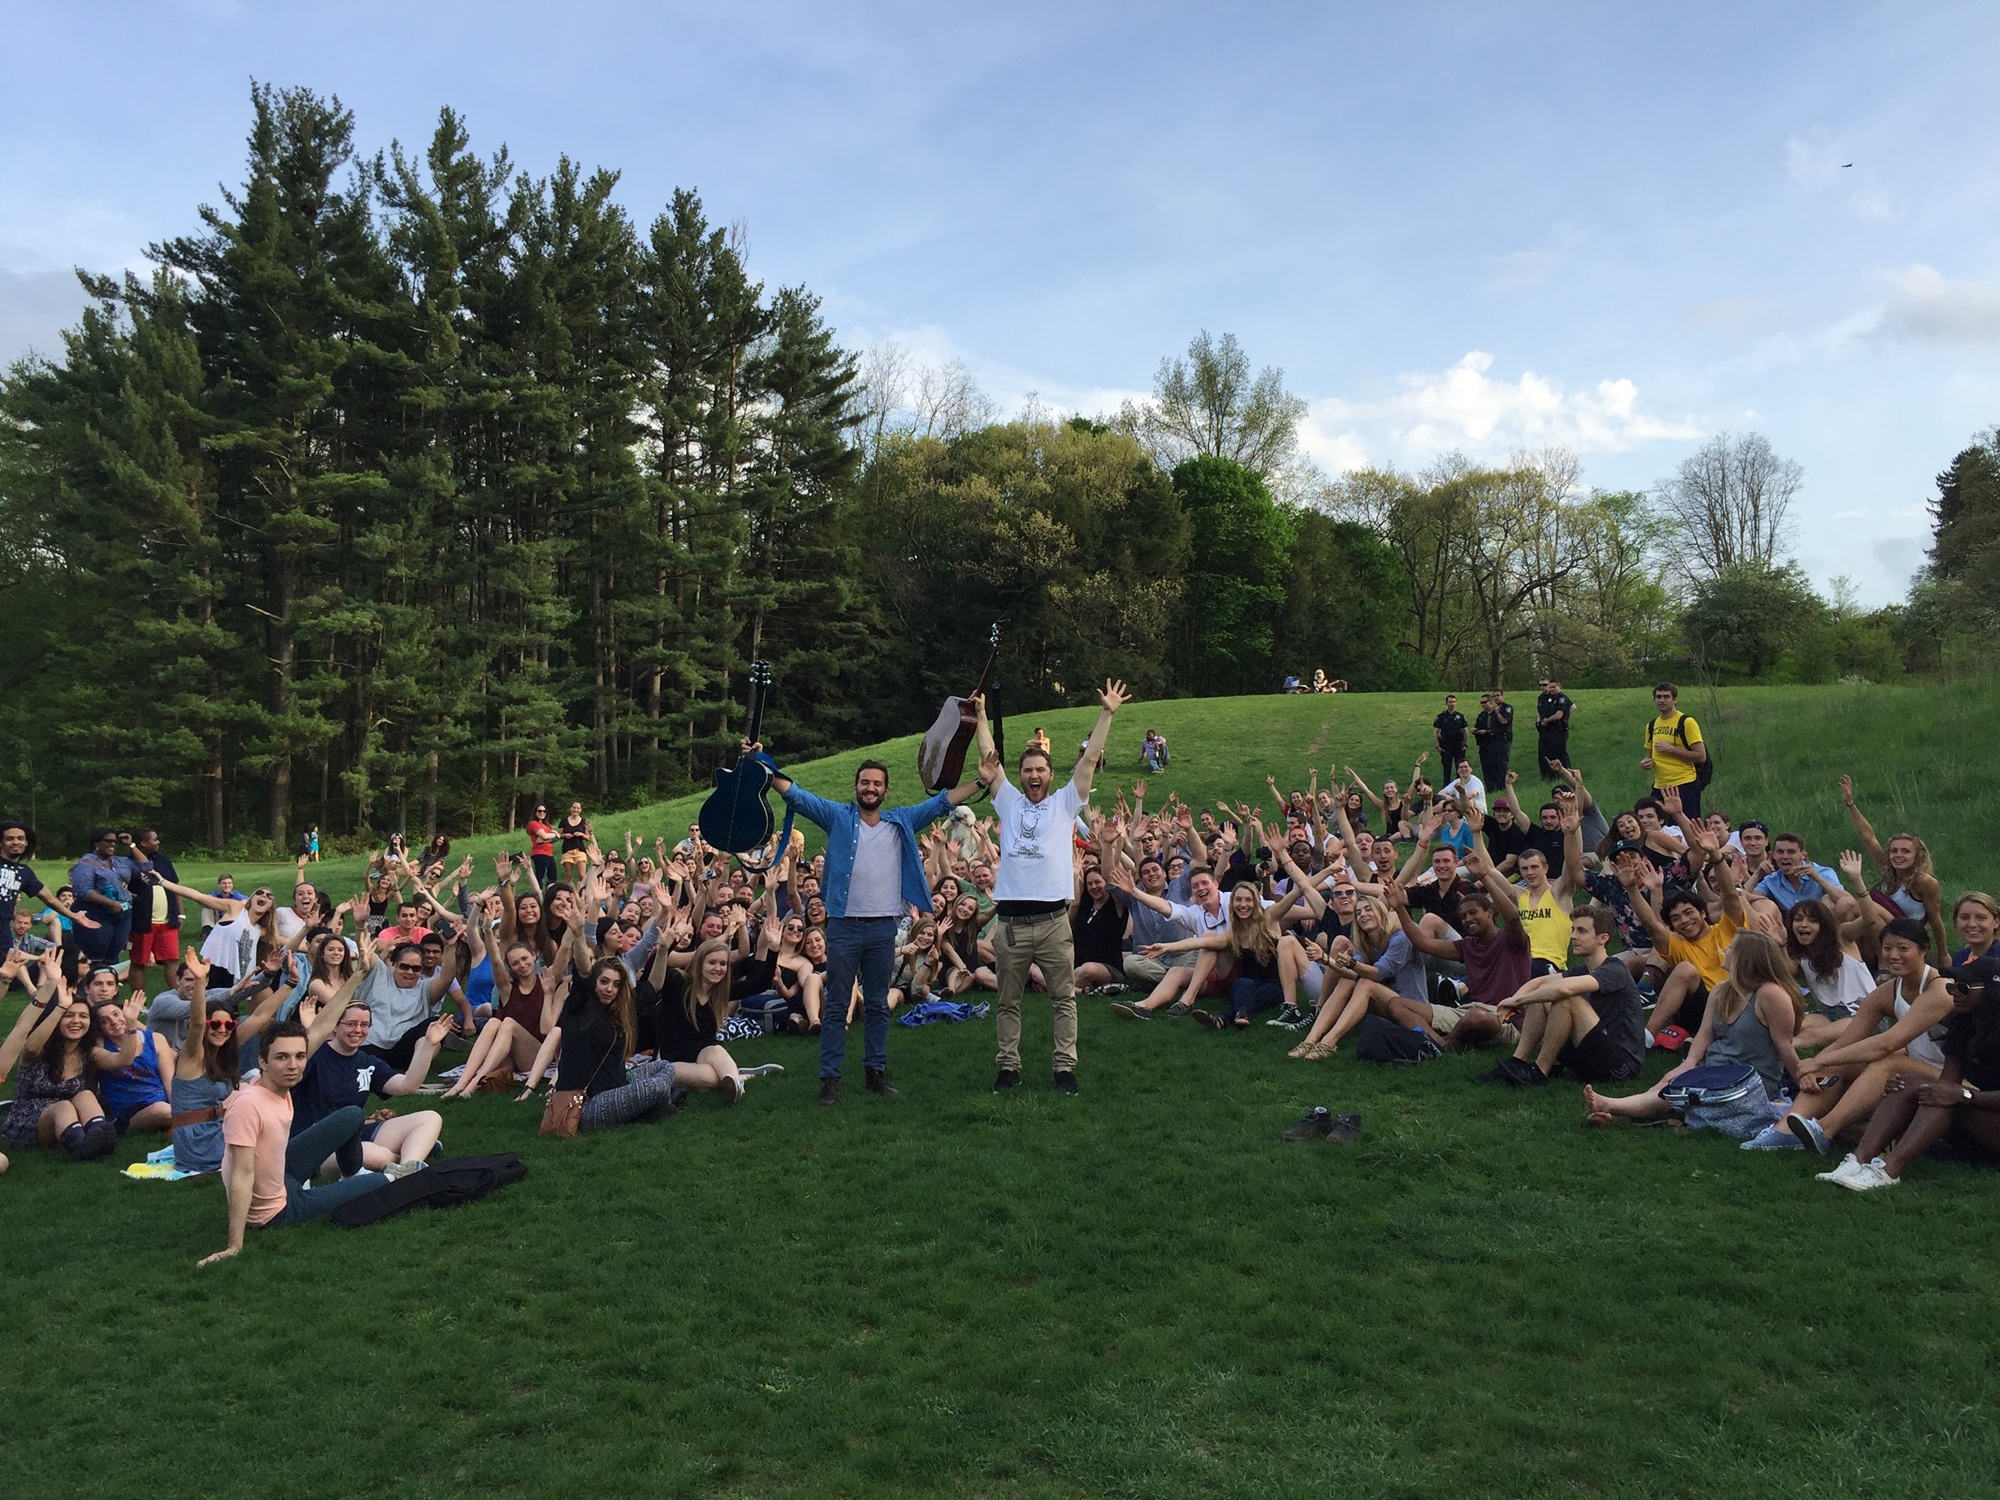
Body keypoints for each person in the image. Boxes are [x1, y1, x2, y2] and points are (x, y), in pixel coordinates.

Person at [765, 727, 984, 1105]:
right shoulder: (838, 817)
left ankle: (875, 1074)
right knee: (836, 1005)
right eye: (864, 782)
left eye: (877, 783)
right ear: (856, 788)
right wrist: (763, 767)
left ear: (885, 790)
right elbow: (797, 796)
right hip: (845, 927)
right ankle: (830, 1080)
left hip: (884, 927)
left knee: (879, 1003)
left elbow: (943, 803)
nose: (870, 788)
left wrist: (982, 779)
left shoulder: (900, 820)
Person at [974, 679, 1128, 1093]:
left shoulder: (1065, 801)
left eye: (1040, 769)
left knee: (1064, 999)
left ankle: (1064, 1070)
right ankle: (1008, 1068)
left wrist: (1107, 713)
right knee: (1008, 1002)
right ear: (1020, 776)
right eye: (1027, 770)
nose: (1033, 775)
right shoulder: (1006, 800)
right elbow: (988, 759)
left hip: (1054, 922)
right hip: (1010, 925)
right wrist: (982, 716)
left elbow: (1090, 758)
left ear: (1049, 773)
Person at [198, 1019, 411, 1265]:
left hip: (284, 1171)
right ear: (262, 1062)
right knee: (380, 1181)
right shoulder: (248, 1105)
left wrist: (355, 980)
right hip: (276, 1209)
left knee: (352, 1114)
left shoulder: (275, 1084)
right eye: (281, 1058)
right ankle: (372, 1178)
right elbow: (241, 1174)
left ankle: (350, 1173)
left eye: (300, 1056)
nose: (293, 1065)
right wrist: (234, 1245)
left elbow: (320, 1030)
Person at [1582, 931, 1809, 1129]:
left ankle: (1611, 1106)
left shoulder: (1771, 995)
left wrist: (1804, 1083)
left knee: (1676, 1094)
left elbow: (1784, 1047)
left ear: (1745, 958)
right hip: (1713, 1069)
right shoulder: (1722, 990)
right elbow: (1705, 1034)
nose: (1725, 950)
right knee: (1667, 1083)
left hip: (1749, 1082)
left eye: (1731, 947)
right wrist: (1688, 1063)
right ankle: (1615, 1111)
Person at [1773, 918, 1952, 1157]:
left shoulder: (1940, 990)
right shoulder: (1888, 992)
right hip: (1920, 1067)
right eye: (1887, 948)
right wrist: (1812, 1070)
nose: (1894, 955)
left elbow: (1886, 1043)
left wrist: (1819, 1061)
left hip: (1953, 1076)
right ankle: (1783, 1131)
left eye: (1903, 948)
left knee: (1890, 1060)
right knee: (1842, 1060)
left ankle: (1825, 1130)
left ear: (1923, 950)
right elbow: (1845, 1041)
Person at [1819, 956, 2000, 1190]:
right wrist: (1911, 1094)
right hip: (1976, 1121)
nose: (1955, 992)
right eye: (1952, 986)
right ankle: (1858, 1160)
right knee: (1913, 1083)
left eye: (1963, 987)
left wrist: (1964, 1096)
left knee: (1944, 1095)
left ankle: (1888, 1170)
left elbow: (1953, 1094)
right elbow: (1945, 1086)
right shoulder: (1963, 1026)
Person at [1486, 906, 1647, 1087]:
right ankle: (1517, 1062)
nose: (1573, 936)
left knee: (1566, 999)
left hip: (1620, 1066)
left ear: (1603, 938)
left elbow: (1565, 990)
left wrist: (1519, 1001)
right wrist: (1514, 1000)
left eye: (1581, 931)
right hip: (1590, 1054)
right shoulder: (1582, 970)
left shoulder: (1615, 969)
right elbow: (1539, 982)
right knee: (1546, 992)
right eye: (1572, 930)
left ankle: (1539, 1072)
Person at [0, 972, 138, 1160]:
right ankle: (81, 1147)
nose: (76, 1021)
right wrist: (60, 1007)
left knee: (86, 1095)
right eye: (68, 1016)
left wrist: (130, 1026)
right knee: (63, 1106)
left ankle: (101, 1137)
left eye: (83, 1016)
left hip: (69, 1120)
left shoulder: (87, 1052)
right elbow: (30, 1047)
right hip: (28, 1123)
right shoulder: (41, 1048)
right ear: (57, 1020)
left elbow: (123, 1060)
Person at [1840, 775, 1948, 959]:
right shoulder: (1888, 867)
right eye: (1894, 851)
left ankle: (1882, 965)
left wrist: (1944, 954)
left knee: (1865, 906)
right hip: (1878, 932)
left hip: (1905, 933)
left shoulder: (1924, 881)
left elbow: (1936, 919)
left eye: (1905, 851)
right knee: (1844, 906)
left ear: (1917, 856)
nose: (1898, 855)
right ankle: (1850, 958)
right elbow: (1868, 836)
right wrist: (1850, 804)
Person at [0, 820, 98, 958]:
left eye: (20, 838)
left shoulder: (24, 872)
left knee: (6, 972)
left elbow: (49, 899)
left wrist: (74, 916)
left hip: (3, 931)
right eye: (9, 839)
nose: (16, 842)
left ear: (26, 843)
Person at [68, 827, 134, 971]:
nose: (113, 845)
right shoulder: (85, 864)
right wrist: (109, 902)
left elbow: (145, 865)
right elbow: (84, 891)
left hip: (122, 913)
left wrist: (131, 845)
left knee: (113, 954)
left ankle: (110, 985)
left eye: (115, 842)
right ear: (96, 843)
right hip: (96, 912)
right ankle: (89, 986)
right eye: (108, 841)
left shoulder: (119, 862)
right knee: (96, 955)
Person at [1641, 682, 1707, 820]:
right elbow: (1650, 756)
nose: (1662, 700)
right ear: (1654, 700)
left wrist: (1672, 749)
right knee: (1659, 827)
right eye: (1658, 697)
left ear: (1675, 699)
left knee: (1688, 827)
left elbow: (1701, 756)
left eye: (1666, 696)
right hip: (1660, 786)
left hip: (1684, 783)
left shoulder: (1686, 722)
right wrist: (1646, 763)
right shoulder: (1651, 725)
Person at [1753, 834, 1845, 914]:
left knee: (1828, 899)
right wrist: (1757, 875)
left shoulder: (1823, 872)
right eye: (1780, 852)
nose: (1785, 856)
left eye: (1791, 852)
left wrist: (1817, 878)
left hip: (1820, 925)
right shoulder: (1772, 880)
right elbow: (1744, 900)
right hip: (1788, 927)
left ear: (1803, 854)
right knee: (1759, 904)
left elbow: (1847, 901)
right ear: (1774, 855)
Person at [1534, 677, 1574, 779]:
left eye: (1552, 687)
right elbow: (1541, 712)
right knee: (1546, 753)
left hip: (1558, 729)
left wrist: (1564, 718)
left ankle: (1568, 775)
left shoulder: (1561, 698)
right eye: (1541, 685)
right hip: (1546, 729)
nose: (1550, 689)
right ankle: (1550, 776)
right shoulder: (1544, 698)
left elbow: (1564, 712)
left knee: (1560, 753)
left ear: (1559, 687)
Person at [557, 801, 592, 882]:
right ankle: (569, 892)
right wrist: (565, 835)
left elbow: (588, 838)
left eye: (578, 808)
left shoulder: (584, 822)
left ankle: (583, 892)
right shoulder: (564, 821)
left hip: (580, 850)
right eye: (574, 807)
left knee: (582, 875)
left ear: (580, 810)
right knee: (568, 875)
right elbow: (558, 835)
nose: (575, 810)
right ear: (570, 808)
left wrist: (581, 834)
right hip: (567, 850)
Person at [1432, 694, 1467, 770]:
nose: (1452, 704)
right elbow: (1435, 732)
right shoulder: (1441, 717)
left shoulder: (1460, 716)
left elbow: (1465, 731)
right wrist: (1437, 746)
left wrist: (1465, 744)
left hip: (1458, 745)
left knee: (1460, 767)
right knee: (1446, 768)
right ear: (1446, 703)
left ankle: (1461, 782)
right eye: (1450, 702)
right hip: (1446, 745)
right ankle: (1447, 782)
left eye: (1454, 702)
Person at [526, 804, 558, 888]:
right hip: (539, 853)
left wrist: (546, 839)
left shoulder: (548, 825)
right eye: (539, 811)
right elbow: (545, 835)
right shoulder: (534, 824)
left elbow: (558, 837)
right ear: (535, 812)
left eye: (544, 811)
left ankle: (549, 895)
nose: (542, 813)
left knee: (553, 876)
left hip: (549, 853)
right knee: (540, 877)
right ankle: (538, 896)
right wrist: (552, 835)